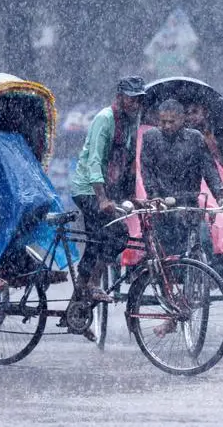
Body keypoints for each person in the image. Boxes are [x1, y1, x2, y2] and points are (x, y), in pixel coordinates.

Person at [69, 76, 145, 303]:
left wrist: (132, 195)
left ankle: (77, 306)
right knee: (114, 233)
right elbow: (95, 160)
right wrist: (102, 199)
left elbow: (128, 159)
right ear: (120, 97)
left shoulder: (132, 121)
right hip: (88, 188)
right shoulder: (105, 119)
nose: (135, 104)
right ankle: (92, 284)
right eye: (131, 99)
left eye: (139, 100)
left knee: (100, 239)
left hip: (108, 187)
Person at [140, 99, 223, 255]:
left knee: (203, 245)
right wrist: (154, 196)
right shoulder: (150, 138)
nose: (167, 126)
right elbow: (147, 171)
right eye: (163, 122)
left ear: (182, 119)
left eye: (171, 121)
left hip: (189, 204)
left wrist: (221, 195)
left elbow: (209, 170)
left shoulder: (195, 139)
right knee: (164, 255)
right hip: (161, 206)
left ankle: (199, 273)